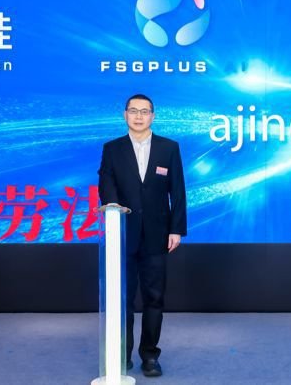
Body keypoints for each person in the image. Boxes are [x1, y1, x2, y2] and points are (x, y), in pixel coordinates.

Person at [98, 93, 187, 378]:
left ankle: (150, 356)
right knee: (122, 299)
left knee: (154, 298)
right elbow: (106, 184)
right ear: (125, 114)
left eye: (144, 111)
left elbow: (178, 190)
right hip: (122, 235)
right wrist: (113, 210)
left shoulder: (168, 148)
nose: (139, 116)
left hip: (157, 235)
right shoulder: (112, 149)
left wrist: (176, 228)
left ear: (153, 116)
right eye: (133, 111)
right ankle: (121, 355)